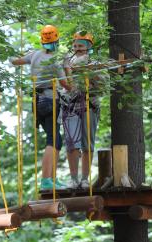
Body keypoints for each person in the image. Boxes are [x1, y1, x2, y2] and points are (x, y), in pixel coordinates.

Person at [10, 25, 72, 190]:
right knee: (53, 139)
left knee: (56, 140)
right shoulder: (56, 62)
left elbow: (15, 61)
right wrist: (71, 73)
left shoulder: (35, 55)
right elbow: (66, 85)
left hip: (37, 101)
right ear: (56, 40)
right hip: (51, 100)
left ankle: (52, 179)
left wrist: (15, 52)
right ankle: (45, 180)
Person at [62, 32, 105, 189]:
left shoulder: (94, 63)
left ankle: (85, 179)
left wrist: (92, 80)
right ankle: (73, 179)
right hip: (70, 105)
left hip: (89, 104)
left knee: (87, 143)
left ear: (88, 47)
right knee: (71, 143)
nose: (77, 48)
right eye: (75, 46)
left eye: (80, 46)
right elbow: (62, 83)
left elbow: (103, 85)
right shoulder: (66, 62)